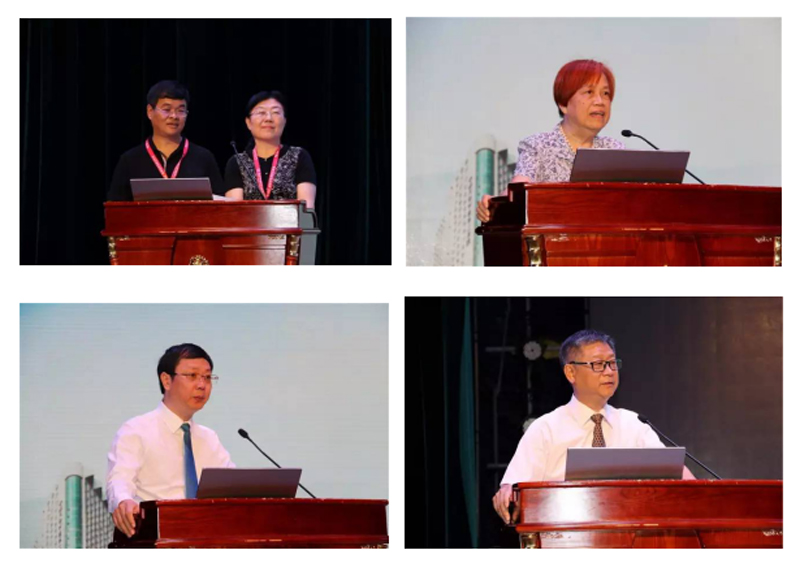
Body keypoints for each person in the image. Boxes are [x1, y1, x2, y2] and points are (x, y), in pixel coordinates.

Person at [492, 329, 694, 525]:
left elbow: (676, 476)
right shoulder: (545, 429)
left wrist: (697, 488)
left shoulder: (634, 424)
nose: (609, 371)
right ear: (571, 372)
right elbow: (514, 490)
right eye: (598, 364)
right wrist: (509, 491)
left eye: (612, 363)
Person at [107, 343, 234, 538]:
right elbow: (120, 480)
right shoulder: (136, 430)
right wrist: (124, 501)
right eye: (192, 375)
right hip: (154, 539)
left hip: (204, 539)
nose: (202, 385)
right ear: (166, 380)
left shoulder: (209, 438)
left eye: (207, 377)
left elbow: (234, 487)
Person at [476, 60, 624, 222]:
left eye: (605, 93)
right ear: (563, 104)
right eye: (589, 92)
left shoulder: (614, 149)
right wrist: (493, 205)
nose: (600, 101)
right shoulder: (538, 146)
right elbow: (519, 189)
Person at [107, 80, 225, 201]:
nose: (174, 116)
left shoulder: (203, 158)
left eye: (180, 111)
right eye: (166, 109)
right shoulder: (131, 160)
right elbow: (115, 207)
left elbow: (220, 205)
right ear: (150, 112)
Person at [224, 91, 317, 209]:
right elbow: (234, 211)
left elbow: (306, 208)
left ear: (284, 121)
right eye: (261, 112)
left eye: (275, 112)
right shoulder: (237, 162)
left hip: (291, 221)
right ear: (248, 122)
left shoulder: (299, 156)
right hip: (249, 221)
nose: (268, 118)